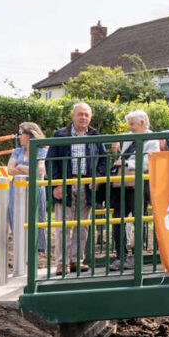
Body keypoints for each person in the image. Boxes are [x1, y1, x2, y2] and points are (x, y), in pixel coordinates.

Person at [47, 102, 106, 272]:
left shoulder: (95, 135)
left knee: (83, 226)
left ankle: (76, 260)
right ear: (72, 116)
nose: (83, 117)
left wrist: (97, 177)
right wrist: (56, 183)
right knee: (62, 225)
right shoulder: (60, 135)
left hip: (86, 186)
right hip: (65, 184)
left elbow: (103, 159)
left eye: (87, 115)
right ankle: (61, 262)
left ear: (90, 118)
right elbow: (51, 161)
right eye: (80, 114)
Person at [108, 110, 161, 268]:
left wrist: (126, 164)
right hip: (123, 183)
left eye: (132, 124)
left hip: (139, 183)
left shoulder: (152, 140)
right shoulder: (128, 138)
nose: (129, 127)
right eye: (129, 124)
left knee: (140, 218)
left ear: (143, 123)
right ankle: (121, 255)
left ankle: (137, 256)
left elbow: (149, 161)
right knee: (118, 218)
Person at [7, 123, 48, 252]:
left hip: (35, 188)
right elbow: (9, 170)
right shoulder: (16, 151)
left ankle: (38, 247)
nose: (19, 136)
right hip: (17, 188)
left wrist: (21, 167)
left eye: (21, 134)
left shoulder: (42, 151)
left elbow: (41, 170)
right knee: (15, 214)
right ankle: (20, 245)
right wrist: (30, 170)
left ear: (29, 135)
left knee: (37, 216)